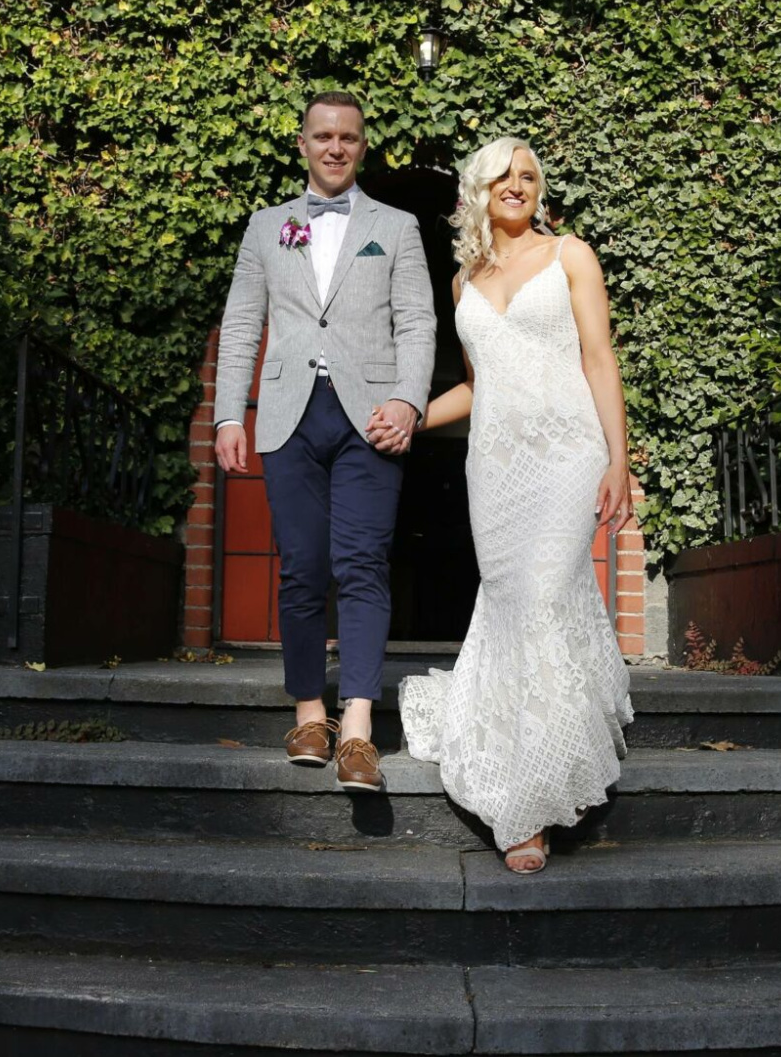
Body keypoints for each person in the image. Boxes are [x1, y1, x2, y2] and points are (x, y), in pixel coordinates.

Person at [373, 137, 634, 874]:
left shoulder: (571, 254)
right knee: (516, 602)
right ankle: (531, 743)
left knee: (546, 593)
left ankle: (528, 799)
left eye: (528, 176)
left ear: (537, 190)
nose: (516, 186)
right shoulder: (464, 281)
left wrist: (617, 458)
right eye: (502, 177)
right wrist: (413, 415)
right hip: (495, 464)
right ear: (479, 191)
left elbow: (598, 357)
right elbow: (481, 384)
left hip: (566, 454)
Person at [213, 91, 436, 793]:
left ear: (363, 145)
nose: (335, 146)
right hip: (287, 416)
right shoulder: (265, 228)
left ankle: (360, 730)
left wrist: (407, 399)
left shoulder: (396, 227)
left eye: (348, 136)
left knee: (363, 562)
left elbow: (419, 323)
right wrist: (227, 415)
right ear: (302, 144)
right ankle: (310, 712)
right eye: (322, 135)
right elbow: (243, 323)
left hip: (371, 418)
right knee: (304, 567)